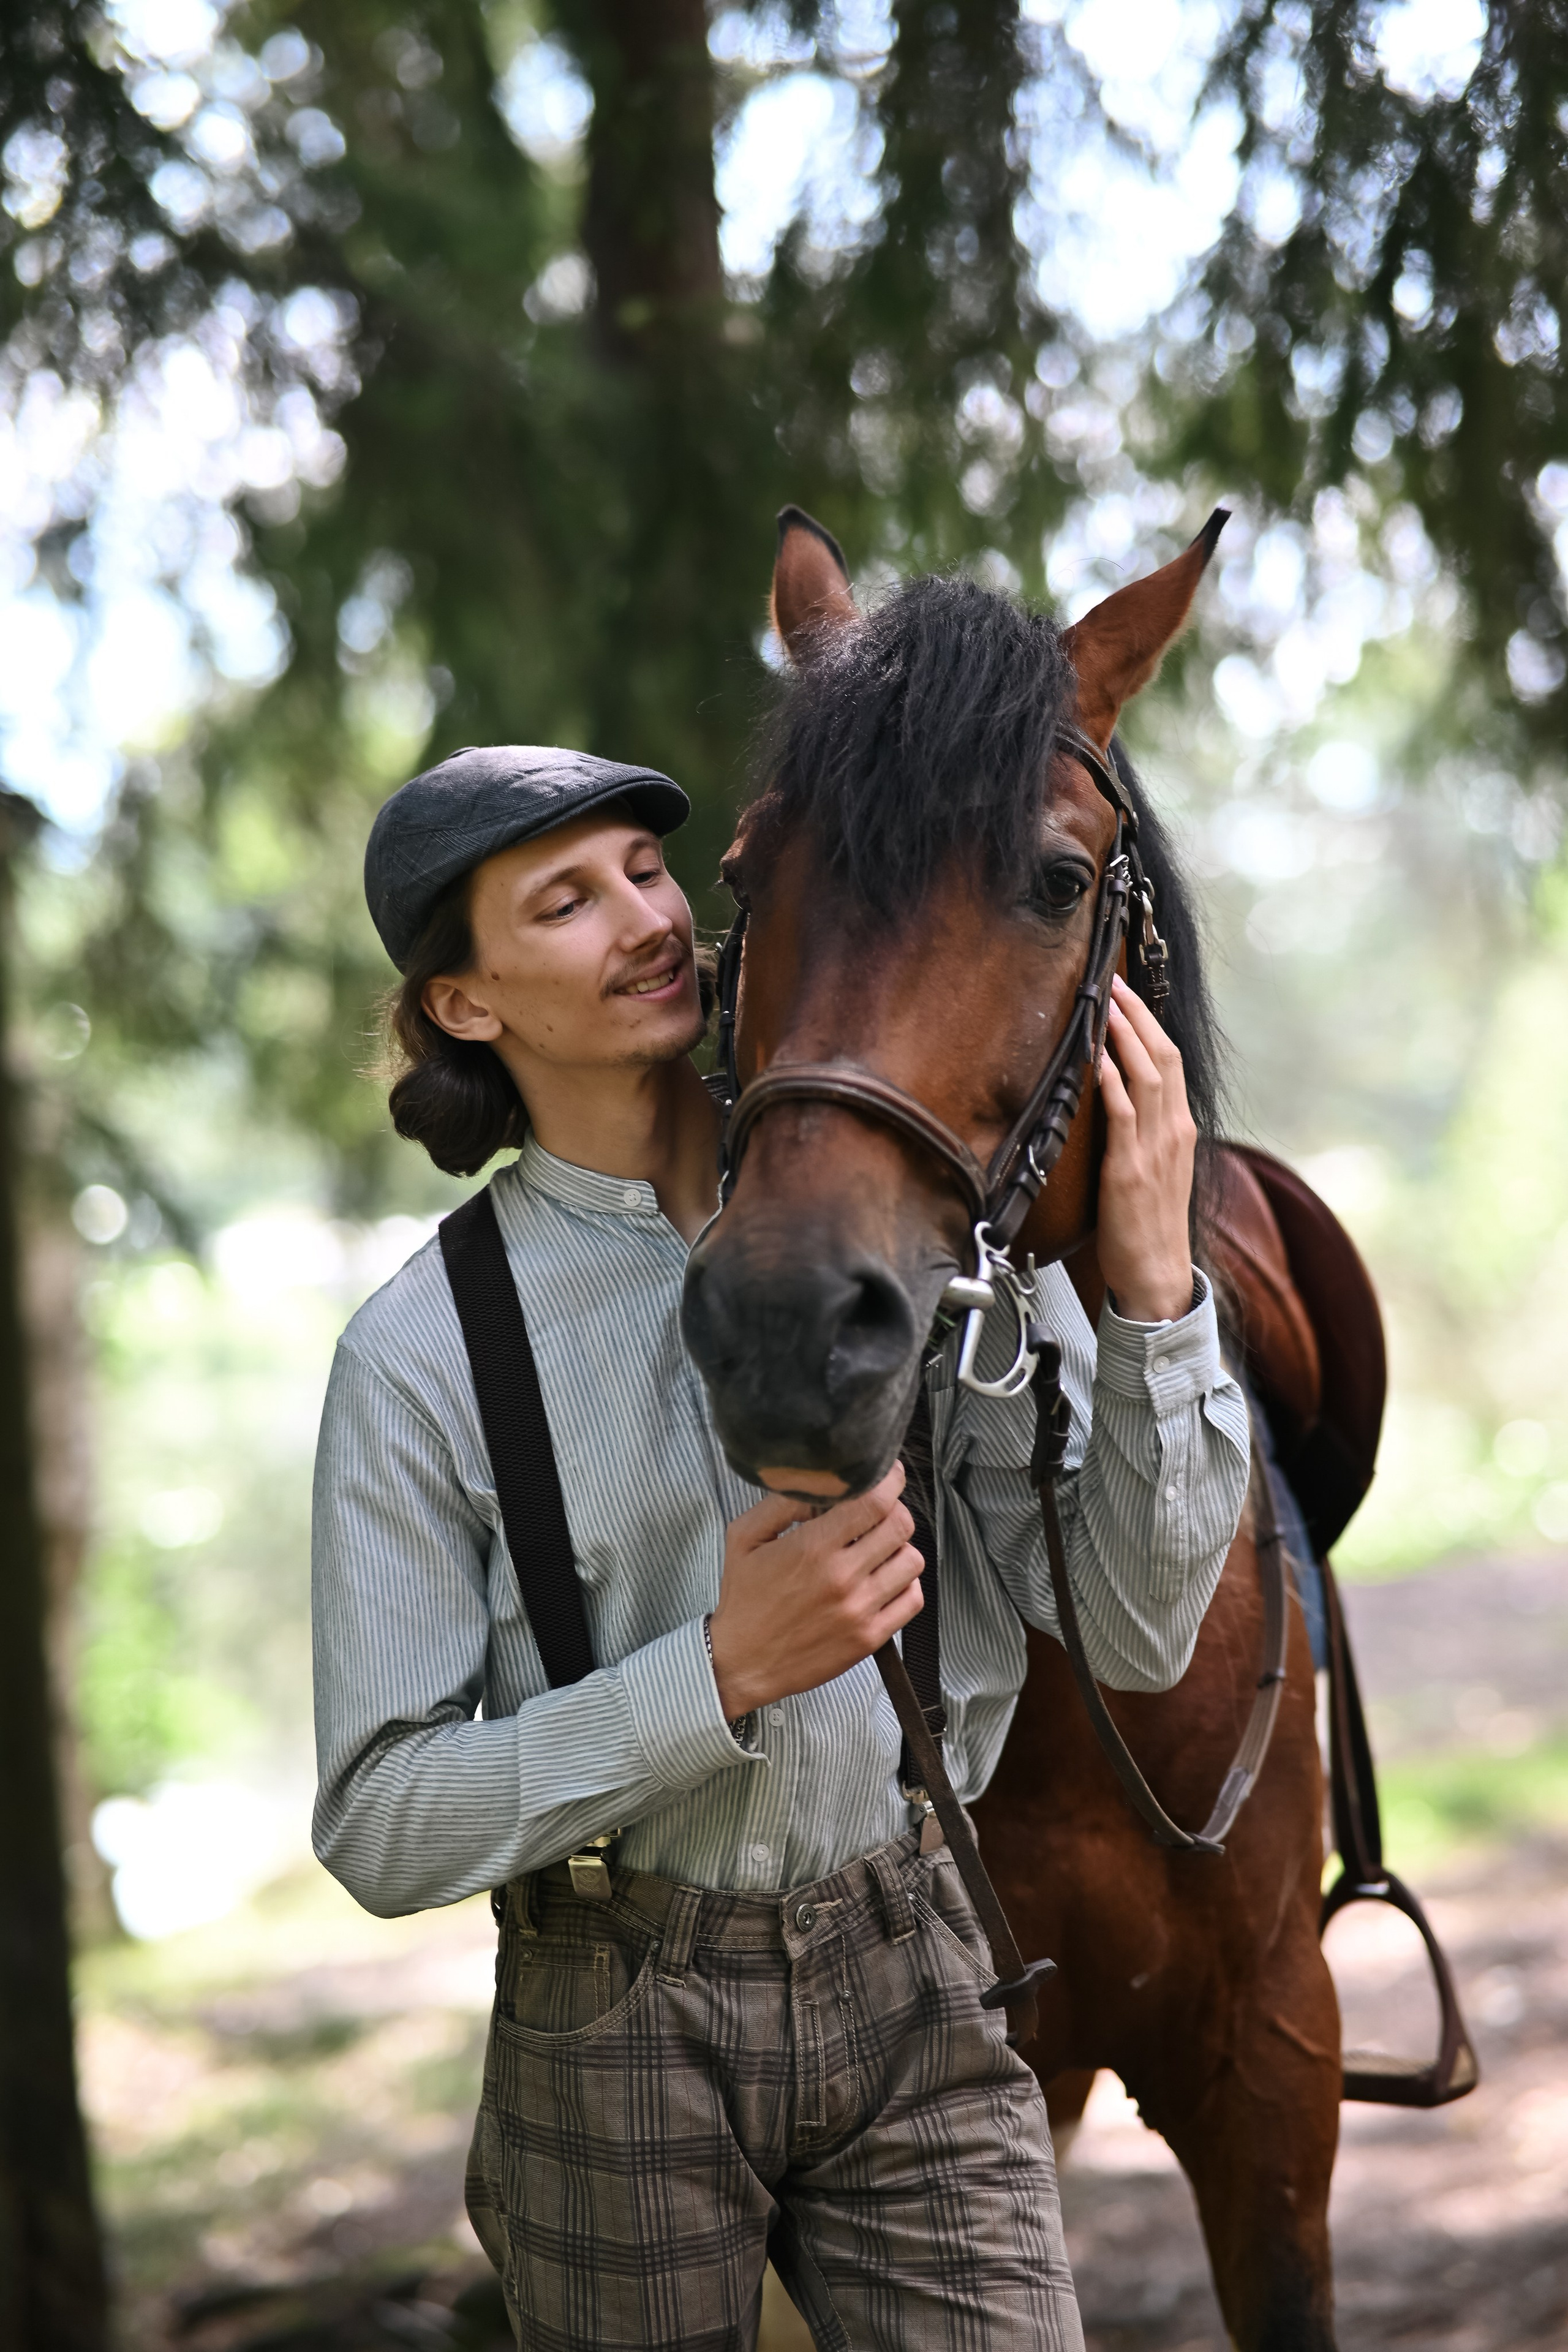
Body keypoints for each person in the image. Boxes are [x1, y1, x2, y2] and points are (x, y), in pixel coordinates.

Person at [312, 742, 1250, 2352]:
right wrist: (719, 1672)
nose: (646, 918)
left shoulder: (904, 1218)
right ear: (466, 1004)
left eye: (646, 871)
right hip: (611, 2011)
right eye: (565, 900)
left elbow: (1136, 1630)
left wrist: (1154, 1295)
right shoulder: (419, 1353)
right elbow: (380, 1819)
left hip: (922, 1955)